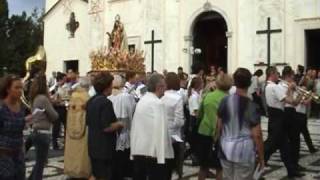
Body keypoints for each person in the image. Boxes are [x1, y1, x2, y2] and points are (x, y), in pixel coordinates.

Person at [216, 68, 264, 180]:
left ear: (234, 82)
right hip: (244, 151)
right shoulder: (252, 106)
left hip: (225, 148)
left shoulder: (224, 101)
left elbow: (219, 126)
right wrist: (261, 157)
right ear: (250, 83)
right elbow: (257, 135)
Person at [131, 74, 174, 180]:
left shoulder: (143, 100)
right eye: (164, 86)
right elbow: (161, 130)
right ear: (159, 87)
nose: (166, 89)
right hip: (153, 153)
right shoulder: (157, 103)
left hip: (139, 149)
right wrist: (163, 157)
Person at [263, 66, 304, 178]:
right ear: (272, 73)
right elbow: (291, 101)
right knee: (269, 147)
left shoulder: (268, 86)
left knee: (284, 147)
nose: (278, 75)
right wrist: (290, 89)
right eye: (277, 73)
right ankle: (256, 161)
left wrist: (297, 93)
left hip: (275, 117)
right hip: (278, 119)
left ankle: (291, 171)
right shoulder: (274, 87)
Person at [86, 72, 124, 180]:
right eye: (111, 84)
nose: (112, 87)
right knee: (105, 175)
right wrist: (119, 124)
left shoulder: (90, 101)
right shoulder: (106, 103)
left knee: (96, 174)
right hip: (104, 147)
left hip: (93, 144)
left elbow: (88, 122)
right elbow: (106, 127)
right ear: (107, 87)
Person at [197, 74, 233, 180]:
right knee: (220, 167)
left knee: (203, 166)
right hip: (222, 134)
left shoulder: (208, 96)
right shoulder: (230, 99)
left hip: (204, 132)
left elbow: (199, 114)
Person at [0, 75, 32, 180]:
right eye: (17, 88)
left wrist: (26, 121)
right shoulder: (2, 108)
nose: (20, 91)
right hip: (3, 155)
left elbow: (19, 126)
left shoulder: (21, 106)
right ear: (8, 89)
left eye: (21, 88)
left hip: (18, 153)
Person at [27, 75, 59, 180]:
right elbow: (54, 116)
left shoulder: (34, 98)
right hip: (43, 132)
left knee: (39, 162)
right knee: (41, 163)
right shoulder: (43, 98)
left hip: (35, 130)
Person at [108, 75, 136, 180]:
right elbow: (131, 113)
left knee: (116, 161)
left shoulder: (108, 96)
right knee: (122, 160)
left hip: (113, 133)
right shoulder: (126, 97)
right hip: (124, 131)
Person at [64, 77, 92, 178]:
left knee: (72, 151)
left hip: (71, 127)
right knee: (81, 153)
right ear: (88, 86)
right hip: (84, 129)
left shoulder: (73, 96)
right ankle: (82, 172)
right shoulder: (88, 98)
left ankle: (71, 170)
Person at [161, 72, 185, 179]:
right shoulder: (178, 97)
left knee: (161, 164)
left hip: (160, 132)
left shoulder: (160, 96)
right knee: (172, 163)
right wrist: (183, 121)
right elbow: (179, 121)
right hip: (173, 136)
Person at [280, 66, 304, 171]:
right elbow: (291, 101)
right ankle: (292, 165)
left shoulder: (290, 86)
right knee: (293, 140)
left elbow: (296, 103)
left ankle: (295, 163)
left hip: (292, 111)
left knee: (296, 140)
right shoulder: (282, 86)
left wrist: (301, 94)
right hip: (287, 113)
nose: (293, 78)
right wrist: (291, 89)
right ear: (288, 76)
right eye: (292, 76)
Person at [185, 77, 203, 165]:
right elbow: (196, 111)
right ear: (198, 85)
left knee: (196, 143)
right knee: (195, 142)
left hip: (195, 119)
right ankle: (183, 157)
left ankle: (196, 158)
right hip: (194, 120)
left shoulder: (197, 95)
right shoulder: (194, 97)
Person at [295, 86, 318, 154]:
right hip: (298, 115)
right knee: (300, 134)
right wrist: (311, 97)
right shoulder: (298, 95)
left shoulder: (303, 95)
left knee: (305, 133)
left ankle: (311, 148)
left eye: (305, 90)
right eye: (303, 89)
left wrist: (310, 95)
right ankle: (311, 148)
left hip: (302, 115)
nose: (304, 91)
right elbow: (305, 103)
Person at [51, 72, 68, 150]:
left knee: (66, 126)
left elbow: (67, 98)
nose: (65, 80)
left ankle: (66, 142)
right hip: (56, 108)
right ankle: (55, 144)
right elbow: (50, 95)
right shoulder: (54, 87)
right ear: (60, 80)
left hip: (63, 108)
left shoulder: (67, 87)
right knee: (56, 127)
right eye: (64, 79)